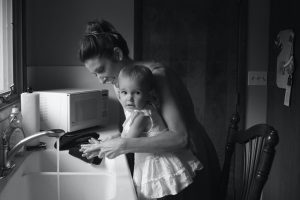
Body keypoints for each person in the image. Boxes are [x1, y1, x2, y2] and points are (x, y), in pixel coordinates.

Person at [78, 19, 221, 200]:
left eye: (101, 70)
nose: (100, 80)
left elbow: (180, 138)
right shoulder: (120, 82)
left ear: (117, 54)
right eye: (95, 74)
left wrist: (123, 145)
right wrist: (106, 144)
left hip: (187, 162)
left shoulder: (156, 76)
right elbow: (143, 127)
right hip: (158, 164)